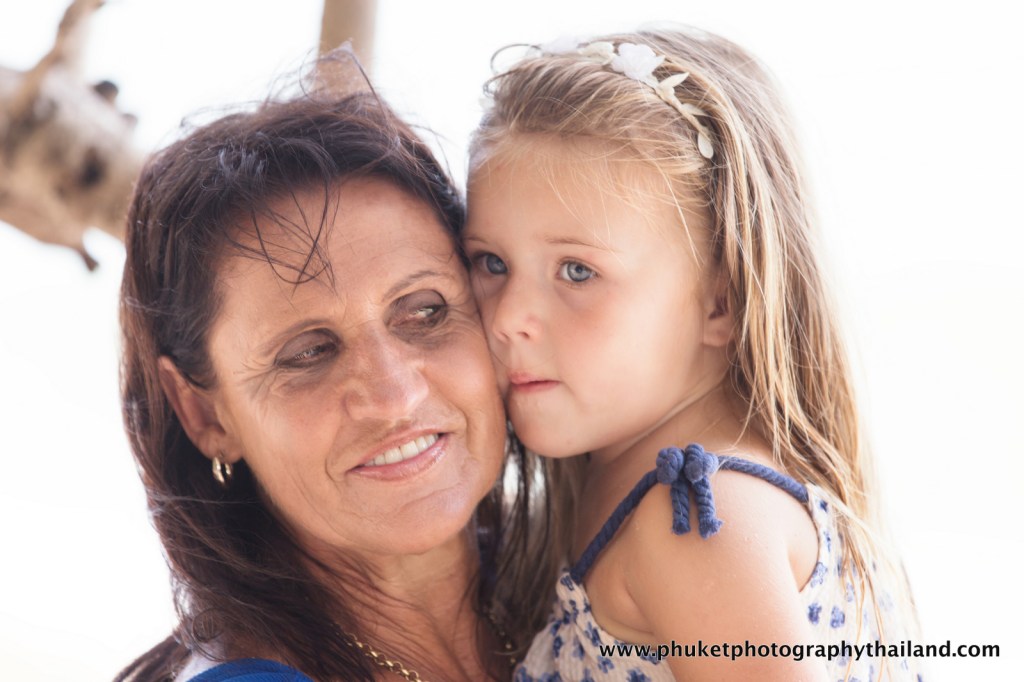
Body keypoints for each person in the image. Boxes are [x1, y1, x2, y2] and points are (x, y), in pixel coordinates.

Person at [465, 27, 923, 681]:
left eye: (575, 272)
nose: (508, 318)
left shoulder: (700, 522)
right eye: (491, 262)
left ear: (720, 303)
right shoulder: (643, 490)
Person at [115, 58, 558, 681]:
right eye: (308, 353)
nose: (395, 394)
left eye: (425, 312)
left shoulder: (598, 580)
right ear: (205, 413)